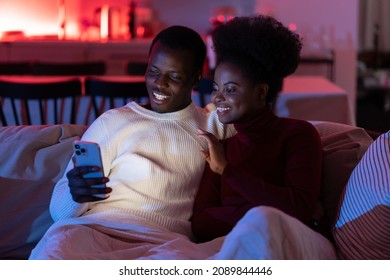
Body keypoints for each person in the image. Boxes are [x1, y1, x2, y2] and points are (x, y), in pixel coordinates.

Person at [29, 25, 234, 259]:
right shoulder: (113, 122)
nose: (160, 83)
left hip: (163, 241)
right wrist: (75, 195)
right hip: (94, 230)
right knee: (56, 254)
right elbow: (59, 214)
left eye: (174, 77)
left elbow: (256, 105)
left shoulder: (213, 123)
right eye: (153, 71)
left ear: (197, 77)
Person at [191, 15, 336, 259]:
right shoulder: (221, 147)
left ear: (261, 92)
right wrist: (276, 209)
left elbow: (296, 211)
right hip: (240, 247)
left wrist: (227, 171)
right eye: (216, 88)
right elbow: (202, 224)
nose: (217, 99)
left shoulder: (299, 135)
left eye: (230, 89)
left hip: (297, 245)